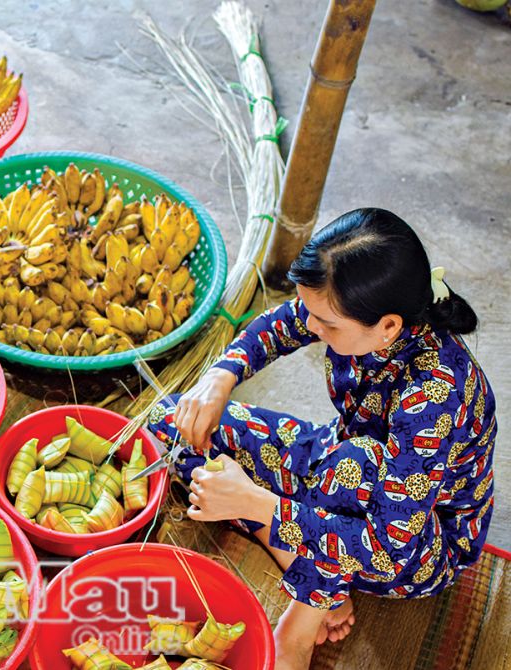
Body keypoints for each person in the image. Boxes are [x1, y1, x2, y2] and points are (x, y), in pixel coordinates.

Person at [146, 208, 496, 670]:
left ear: (388, 326)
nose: (311, 327)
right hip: (333, 461)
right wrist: (219, 377)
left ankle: (301, 622)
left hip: (418, 544)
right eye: (310, 312)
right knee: (173, 421)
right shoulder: (354, 310)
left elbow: (388, 544)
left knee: (350, 466)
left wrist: (254, 504)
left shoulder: (435, 396)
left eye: (325, 323)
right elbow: (281, 324)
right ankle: (296, 554)